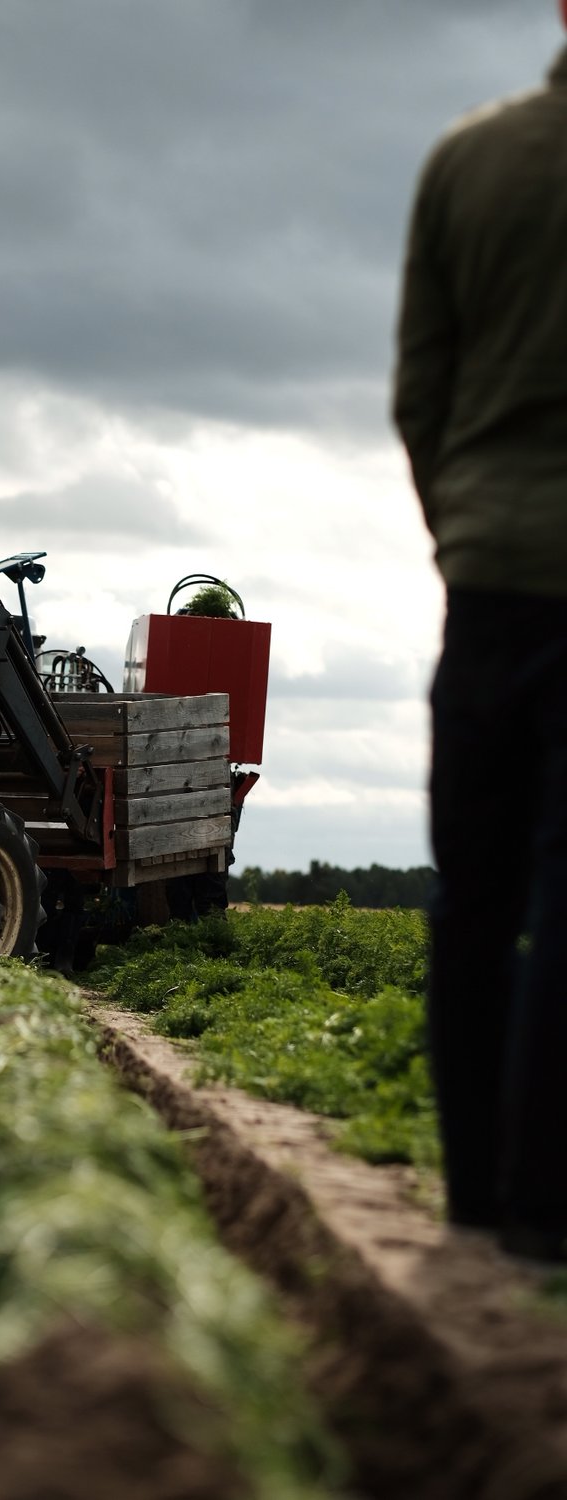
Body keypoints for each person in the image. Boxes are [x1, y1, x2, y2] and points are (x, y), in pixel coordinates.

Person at [393, 1, 567, 1261]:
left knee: (477, 884)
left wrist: (462, 533)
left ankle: (470, 1197)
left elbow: (420, 394)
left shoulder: (470, 159)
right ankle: (545, 1204)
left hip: (493, 571)